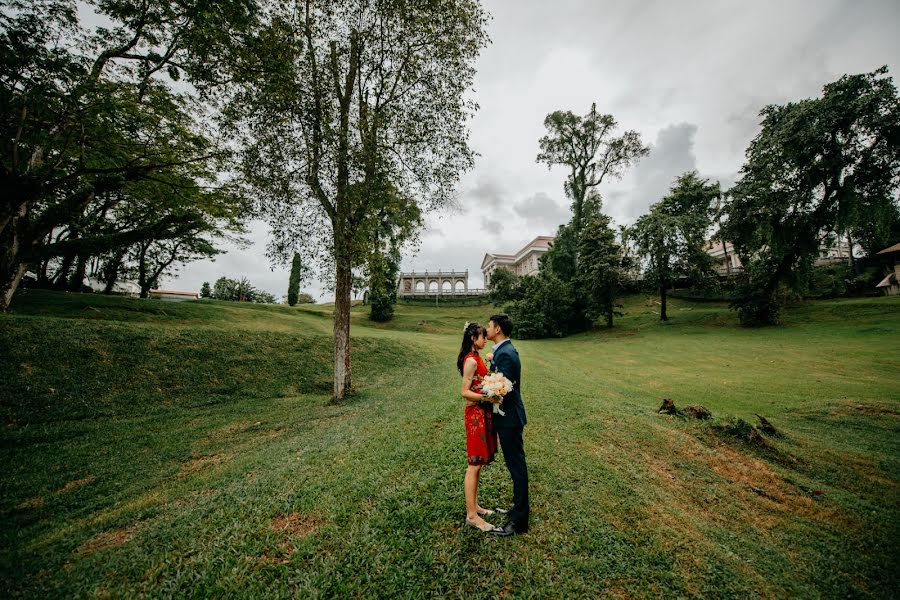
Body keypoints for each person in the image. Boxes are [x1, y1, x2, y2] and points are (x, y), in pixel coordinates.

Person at [485, 313, 529, 536]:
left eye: (489, 326)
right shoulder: (503, 351)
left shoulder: (507, 353)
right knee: (514, 465)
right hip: (508, 417)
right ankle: (516, 508)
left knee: (517, 466)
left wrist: (486, 392)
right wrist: (492, 361)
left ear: (498, 329)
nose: (487, 329)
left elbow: (505, 388)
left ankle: (519, 521)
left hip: (509, 418)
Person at [457, 321, 499, 532]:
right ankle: (471, 515)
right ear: (474, 339)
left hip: (482, 413)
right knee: (474, 463)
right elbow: (464, 392)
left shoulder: (476, 358)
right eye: (482, 336)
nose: (485, 339)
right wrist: (486, 397)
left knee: (479, 462)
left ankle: (476, 506)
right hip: (475, 415)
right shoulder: (470, 361)